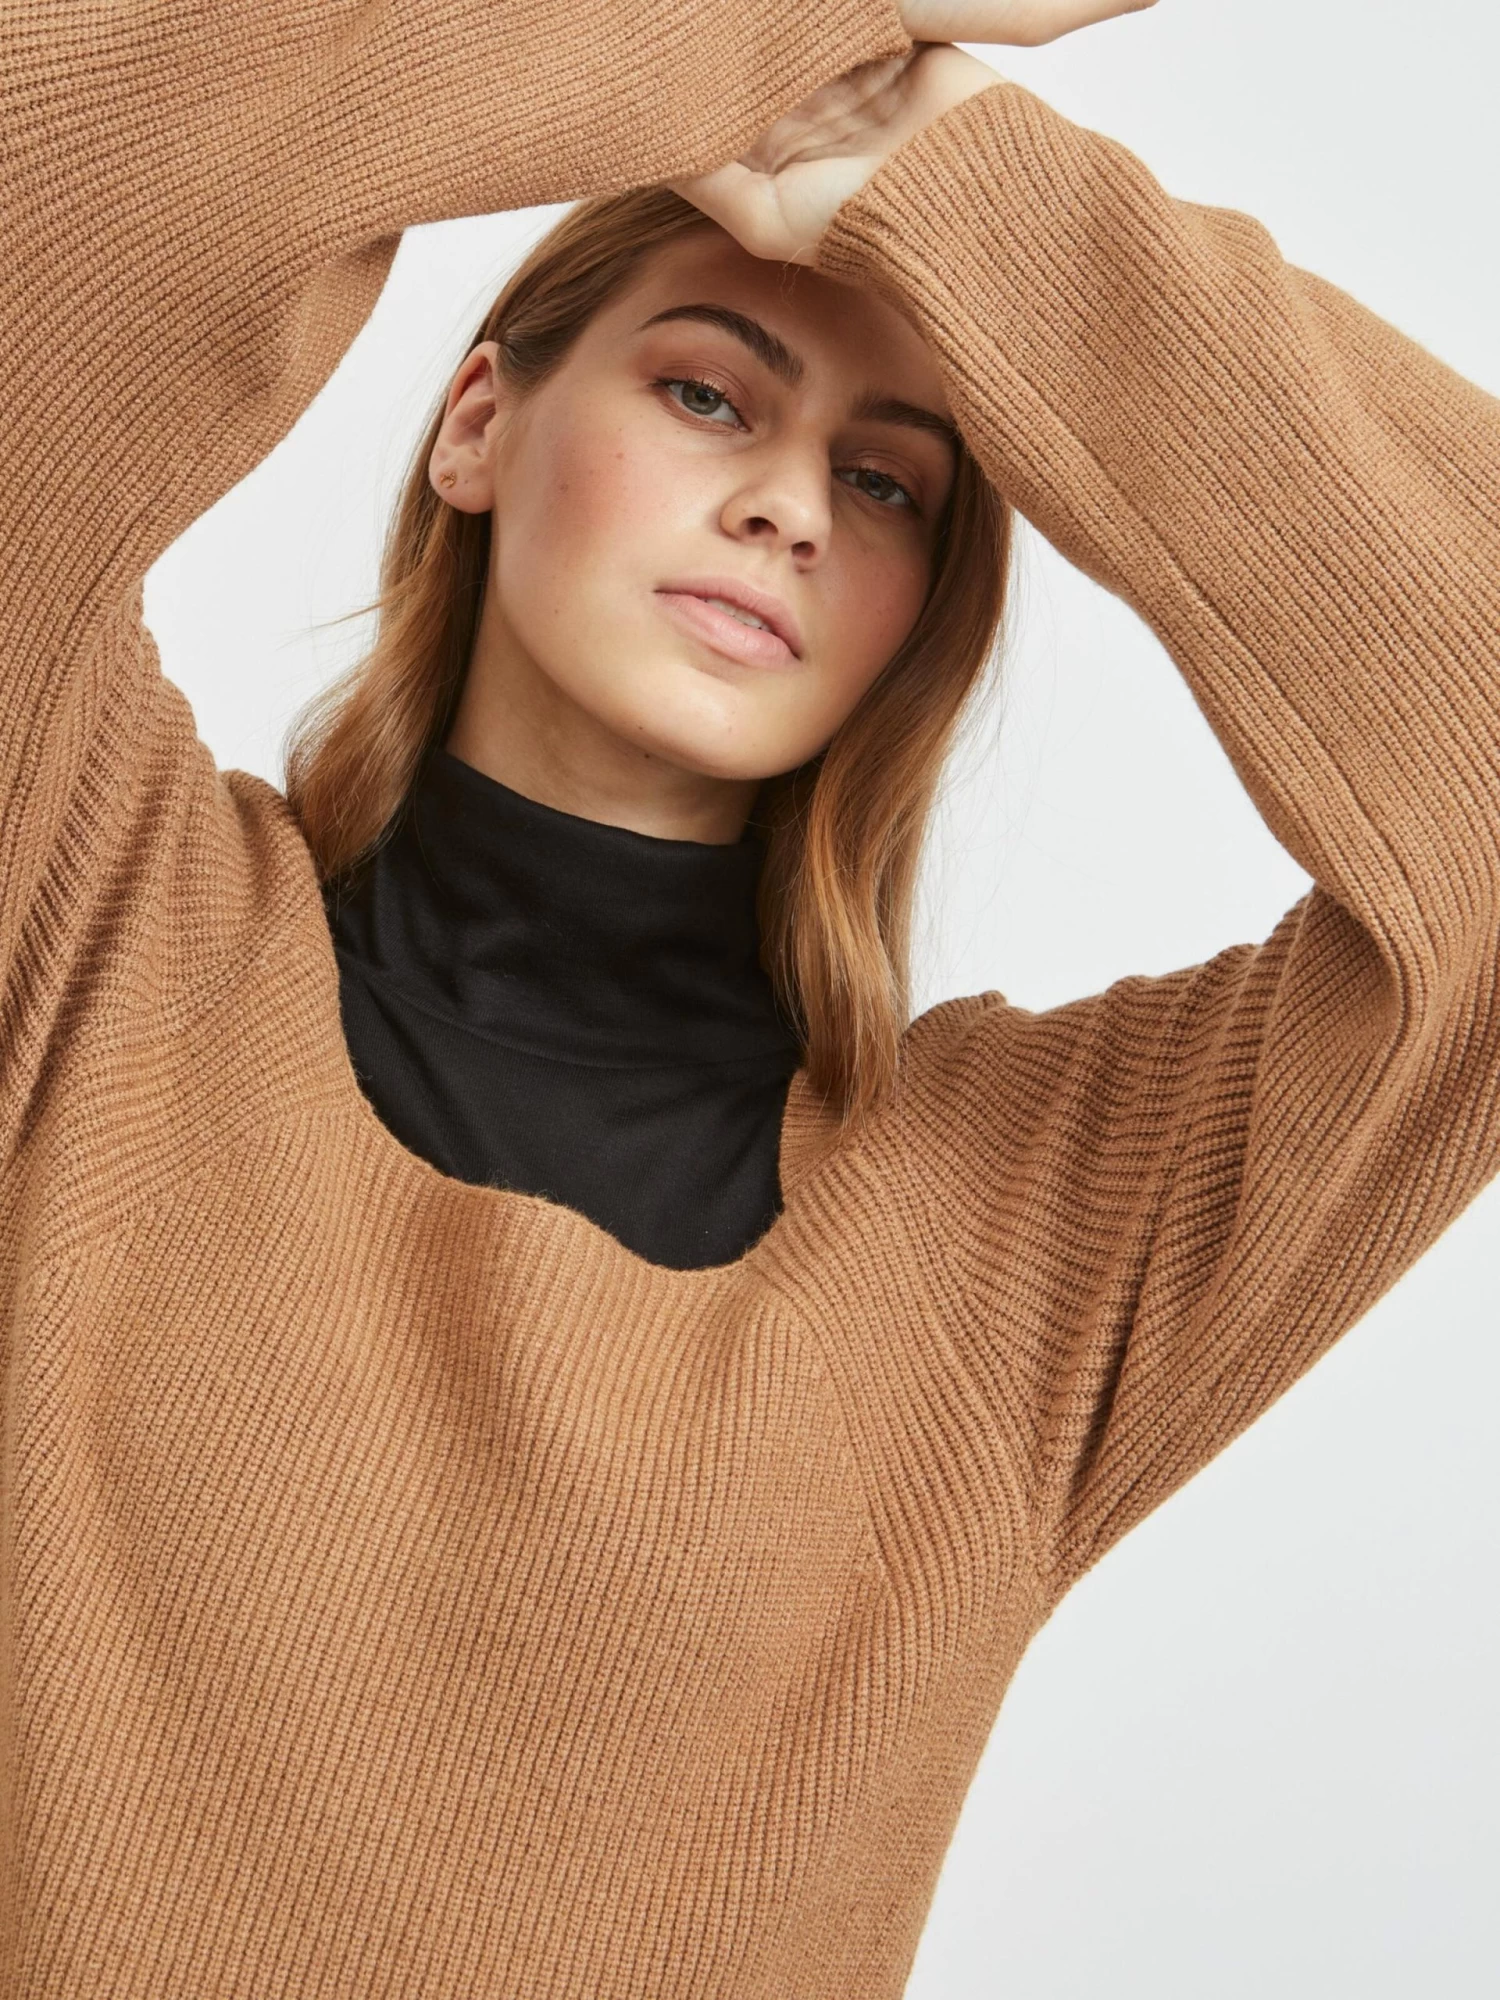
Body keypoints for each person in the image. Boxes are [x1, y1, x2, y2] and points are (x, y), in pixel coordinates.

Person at [1, 2, 1494, 1995]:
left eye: (887, 486)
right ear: (477, 424)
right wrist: (794, 14)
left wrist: (959, 195)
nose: (793, 502)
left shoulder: (1025, 1246)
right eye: (711, 393)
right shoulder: (93, 924)